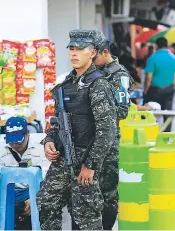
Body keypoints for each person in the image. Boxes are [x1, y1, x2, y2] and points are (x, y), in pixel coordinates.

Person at [37, 30, 117, 230]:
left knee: (86, 217)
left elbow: (107, 130)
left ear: (92, 53)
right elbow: (57, 123)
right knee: (47, 203)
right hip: (63, 157)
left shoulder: (98, 85)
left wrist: (91, 165)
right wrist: (49, 141)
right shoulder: (65, 85)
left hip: (87, 158)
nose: (74, 53)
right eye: (71, 48)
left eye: (80, 49)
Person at [67, 30, 130, 230]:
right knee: (80, 196)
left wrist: (97, 110)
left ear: (102, 52)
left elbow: (122, 110)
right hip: (83, 145)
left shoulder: (118, 75)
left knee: (107, 195)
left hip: (107, 145)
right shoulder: (84, 74)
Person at [0, 116, 49, 230]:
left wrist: (35, 199)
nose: (15, 145)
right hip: (11, 192)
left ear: (28, 134)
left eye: (18, 142)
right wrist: (4, 208)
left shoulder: (41, 146)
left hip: (36, 189)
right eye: (11, 142)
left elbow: (47, 179)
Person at [144, 37, 175, 131]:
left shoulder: (153, 58)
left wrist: (145, 91)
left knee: (150, 112)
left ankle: (151, 133)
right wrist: (172, 87)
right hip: (169, 90)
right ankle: (166, 136)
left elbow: (148, 77)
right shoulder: (174, 58)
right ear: (167, 46)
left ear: (156, 46)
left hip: (155, 90)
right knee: (167, 113)